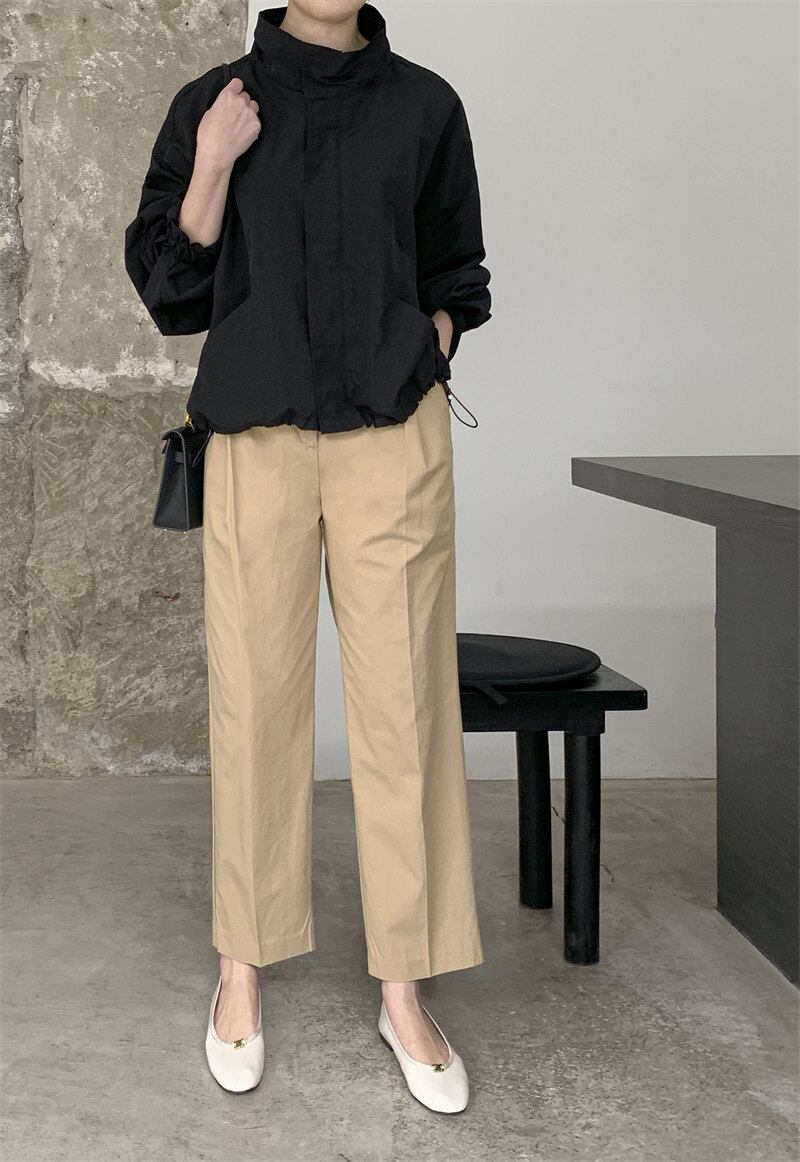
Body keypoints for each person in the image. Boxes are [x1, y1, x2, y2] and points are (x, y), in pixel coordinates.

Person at [124, 1, 491, 1114]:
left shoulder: (425, 106)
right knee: (256, 702)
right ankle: (241, 968)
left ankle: (404, 988)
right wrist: (213, 164)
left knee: (405, 706)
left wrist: (424, 345)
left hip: (390, 436)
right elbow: (169, 290)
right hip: (258, 437)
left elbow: (456, 272)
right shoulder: (216, 102)